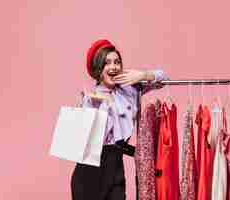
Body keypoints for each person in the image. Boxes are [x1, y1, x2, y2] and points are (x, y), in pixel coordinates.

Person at [71, 39, 169, 200]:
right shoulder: (90, 100)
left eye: (117, 62)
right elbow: (88, 142)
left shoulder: (130, 90)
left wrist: (144, 75)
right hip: (89, 172)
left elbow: (164, 78)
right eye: (107, 63)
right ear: (98, 68)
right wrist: (100, 106)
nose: (113, 67)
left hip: (116, 167)